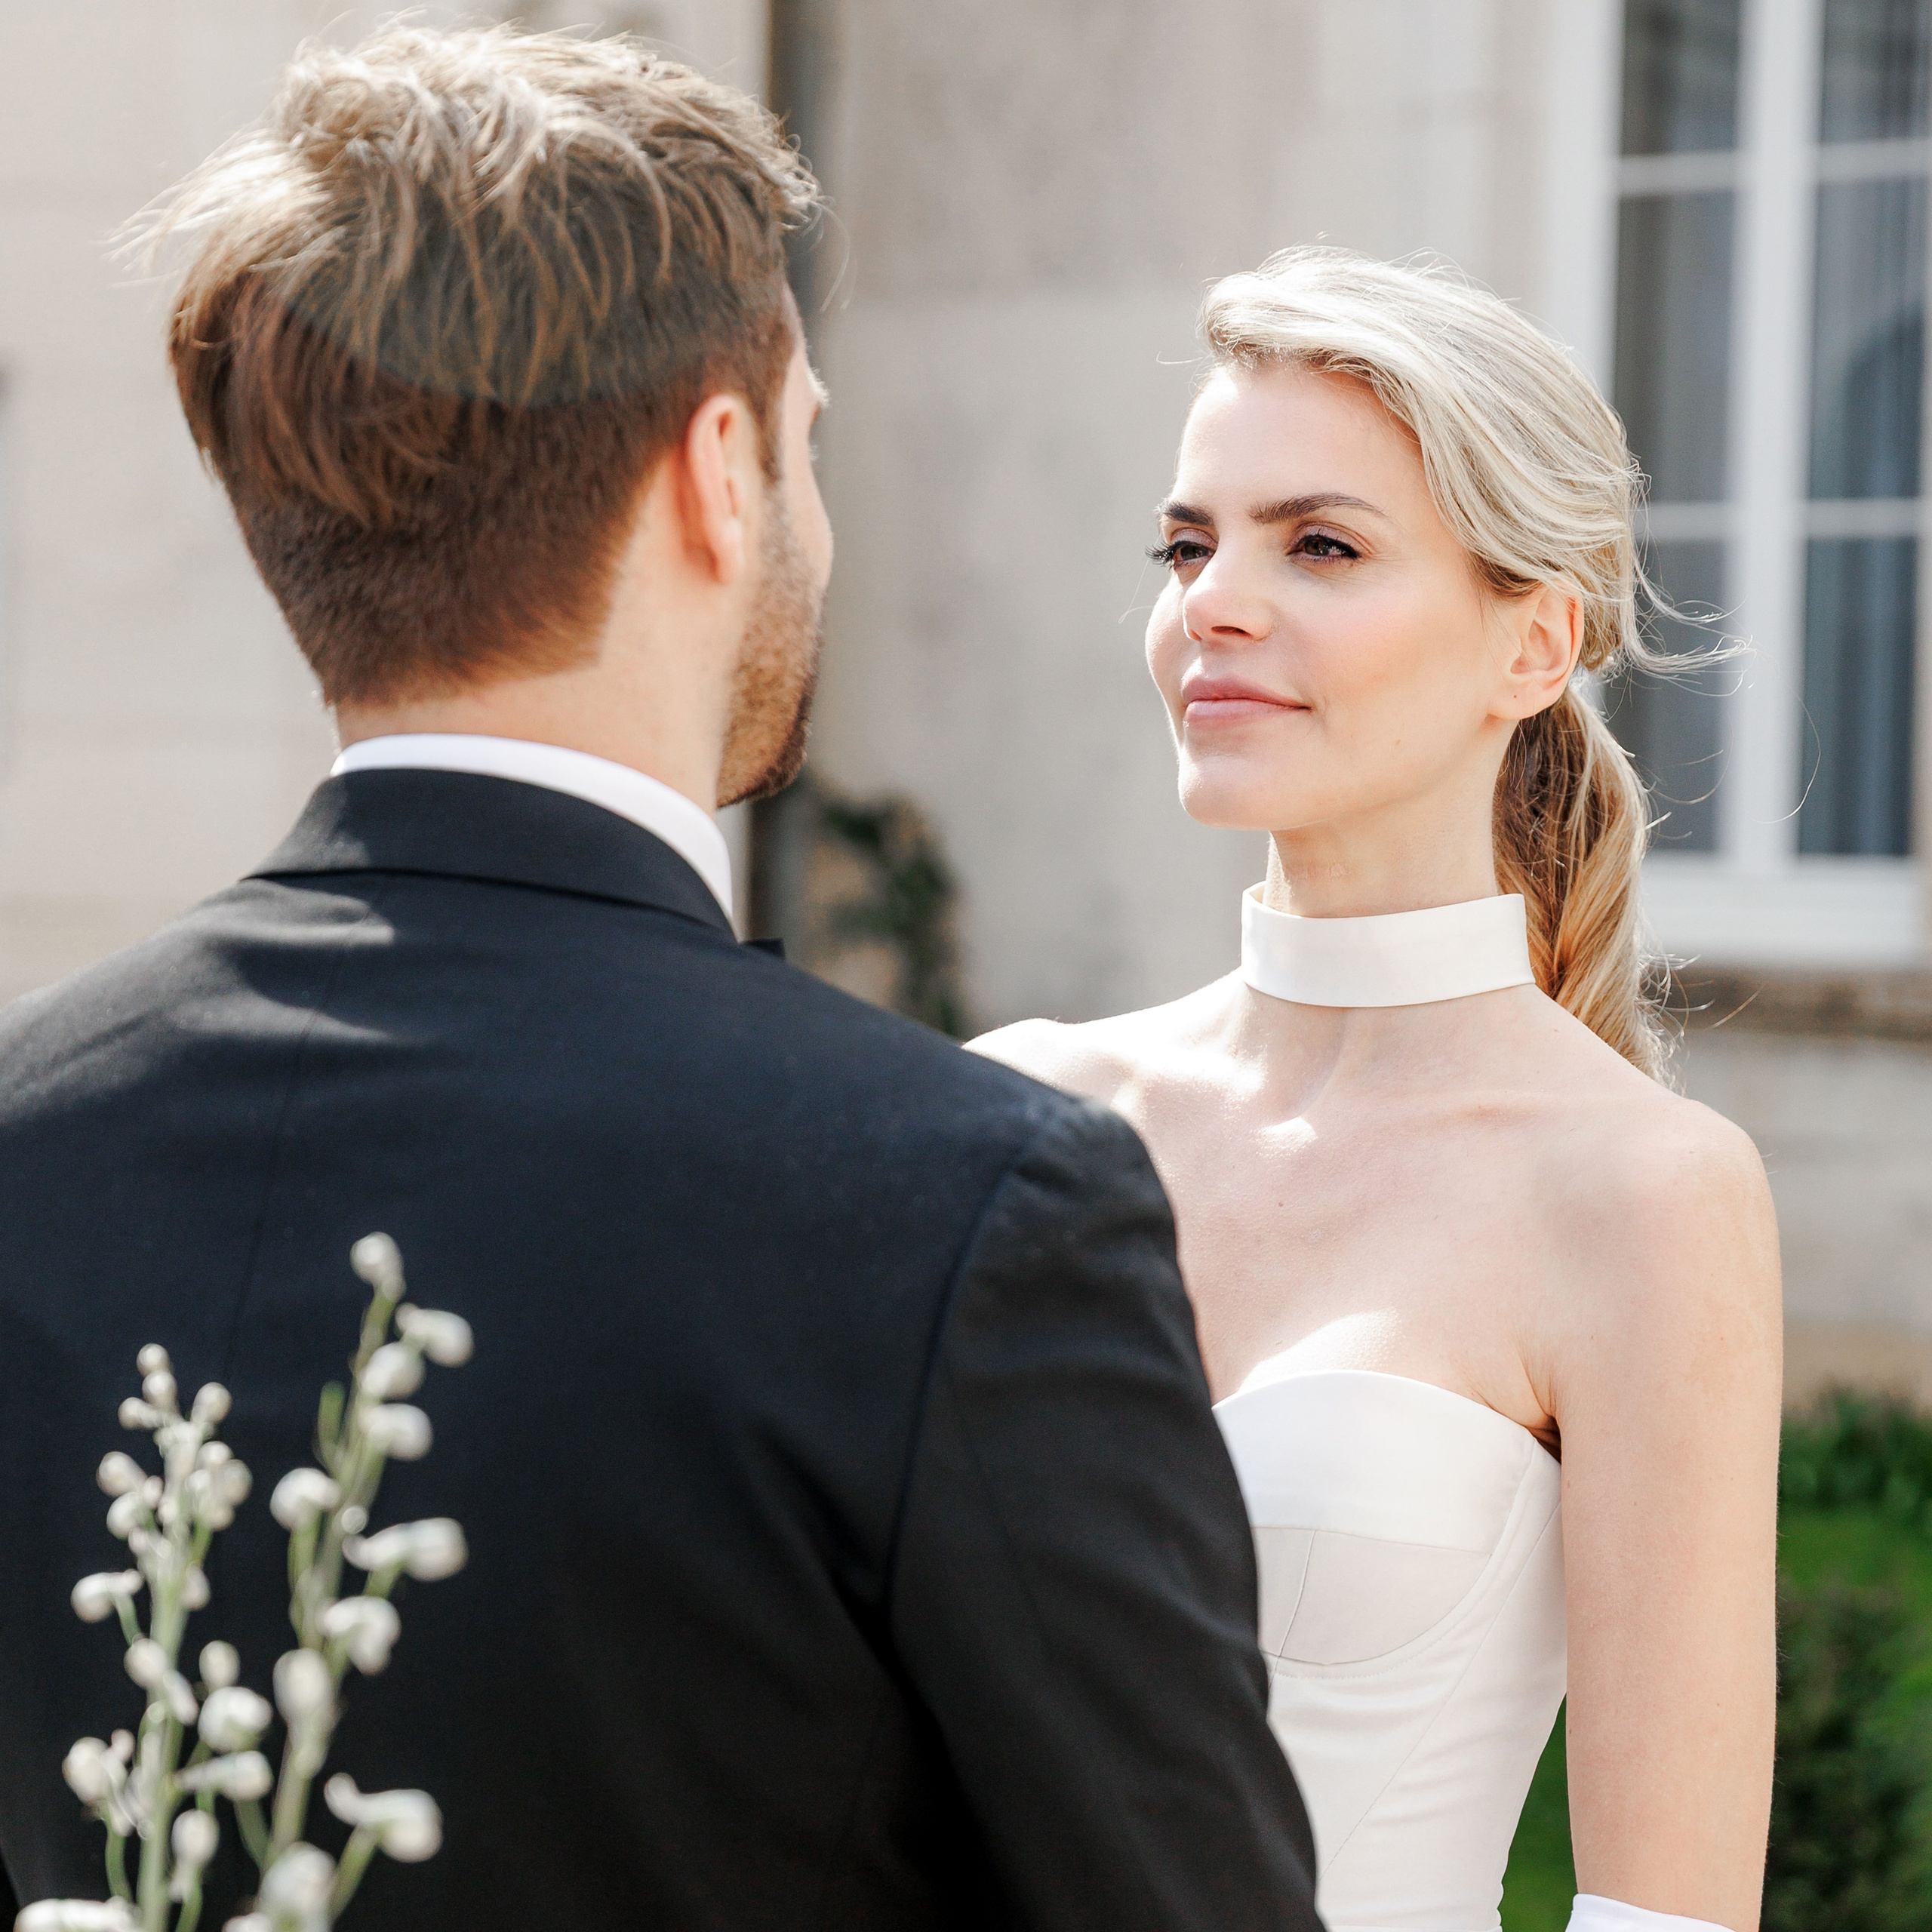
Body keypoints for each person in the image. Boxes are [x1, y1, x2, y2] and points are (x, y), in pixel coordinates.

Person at [0, 29, 1321, 1931]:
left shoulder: (27, 1140)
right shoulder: (961, 1211)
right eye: (807, 442)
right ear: (719, 468)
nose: (815, 514)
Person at [975, 249, 1782, 1932]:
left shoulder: (1639, 1192)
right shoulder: (1018, 1116)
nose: (1213, 599)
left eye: (1319, 545)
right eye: (1188, 544)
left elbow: (1667, 1914)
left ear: (1529, 646)